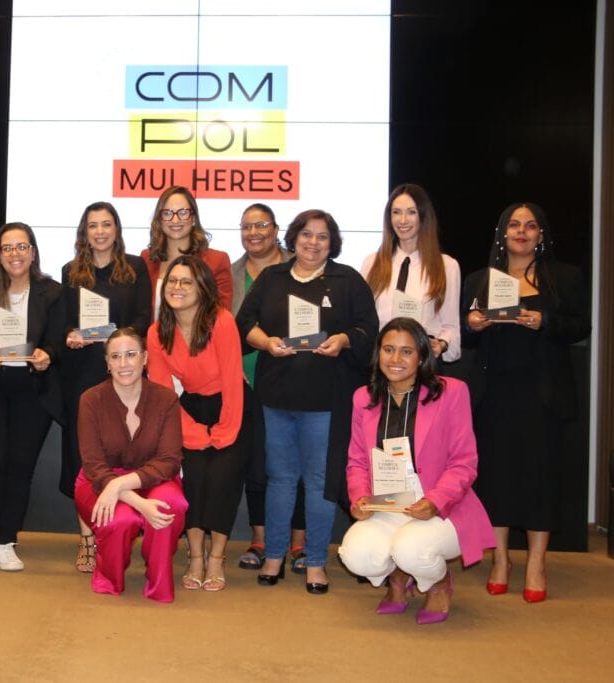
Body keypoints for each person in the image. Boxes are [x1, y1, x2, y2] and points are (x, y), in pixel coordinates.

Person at [236, 209, 378, 593]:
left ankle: (316, 561)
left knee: (318, 481)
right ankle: (275, 555)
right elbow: (244, 323)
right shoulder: (273, 278)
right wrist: (265, 342)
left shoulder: (346, 279)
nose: (313, 243)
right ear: (293, 238)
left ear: (332, 243)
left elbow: (368, 328)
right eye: (307, 235)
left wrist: (343, 341)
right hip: (275, 396)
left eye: (322, 237)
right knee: (280, 479)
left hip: (326, 401)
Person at [463, 202, 589, 603]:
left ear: (541, 234)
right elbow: (466, 338)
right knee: (496, 477)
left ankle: (536, 561)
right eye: (514, 225)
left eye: (530, 225)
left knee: (540, 478)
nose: (521, 231)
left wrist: (544, 321)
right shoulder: (480, 279)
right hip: (493, 395)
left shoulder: (563, 277)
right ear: (502, 233)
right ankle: (501, 559)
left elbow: (579, 326)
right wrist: (474, 324)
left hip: (542, 396)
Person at [338, 318, 495, 624]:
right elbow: (357, 459)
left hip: (439, 505)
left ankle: (437, 583)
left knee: (412, 549)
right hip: (388, 502)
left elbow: (464, 462)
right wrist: (359, 498)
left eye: (406, 351)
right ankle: (398, 575)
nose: (395, 359)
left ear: (422, 356)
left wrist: (435, 500)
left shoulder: (452, 392)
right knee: (355, 554)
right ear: (378, 353)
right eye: (388, 349)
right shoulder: (364, 398)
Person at [60, 202, 151, 572]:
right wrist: (69, 336)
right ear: (85, 231)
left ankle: (120, 533)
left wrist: (120, 338)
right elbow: (64, 323)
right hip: (82, 374)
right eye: (93, 225)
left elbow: (145, 317)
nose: (100, 231)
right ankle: (87, 540)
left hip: (125, 374)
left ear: (117, 229)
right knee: (85, 459)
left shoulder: (136, 268)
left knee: (125, 457)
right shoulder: (70, 272)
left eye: (107, 224)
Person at [0, 222, 64, 572]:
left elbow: (57, 340)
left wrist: (46, 356)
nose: (15, 254)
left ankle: (7, 541)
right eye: (7, 248)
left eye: (22, 247)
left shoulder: (51, 292)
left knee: (20, 466)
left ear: (33, 252)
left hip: (31, 391)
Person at [147, 254, 245, 592]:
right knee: (194, 479)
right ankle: (195, 559)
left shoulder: (221, 320)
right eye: (172, 281)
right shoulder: (157, 332)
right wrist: (193, 432)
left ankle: (216, 558)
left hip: (232, 407)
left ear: (202, 287)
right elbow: (162, 393)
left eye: (186, 281)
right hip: (186, 410)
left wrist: (224, 431)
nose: (177, 287)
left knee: (222, 479)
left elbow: (233, 380)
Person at [75, 328, 187, 602]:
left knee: (172, 505)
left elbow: (169, 460)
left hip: (153, 480)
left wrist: (123, 485)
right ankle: (109, 579)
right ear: (107, 363)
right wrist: (137, 503)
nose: (124, 364)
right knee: (122, 517)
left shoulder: (166, 399)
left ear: (145, 358)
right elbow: (94, 466)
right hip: (98, 482)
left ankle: (159, 583)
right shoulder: (90, 400)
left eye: (131, 355)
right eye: (116, 356)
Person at [229, 203, 305, 572]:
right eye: (246, 226)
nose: (253, 232)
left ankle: (298, 542)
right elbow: (224, 329)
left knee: (296, 463)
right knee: (257, 463)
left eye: (261, 225)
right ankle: (259, 538)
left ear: (276, 229)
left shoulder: (299, 266)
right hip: (245, 382)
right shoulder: (230, 275)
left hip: (294, 380)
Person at [361, 184, 460, 361]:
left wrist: (442, 344)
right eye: (396, 212)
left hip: (422, 364)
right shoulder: (372, 263)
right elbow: (362, 321)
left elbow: (451, 327)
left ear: (423, 216)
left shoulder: (446, 266)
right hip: (380, 364)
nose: (403, 220)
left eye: (411, 212)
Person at [142, 186, 232, 316]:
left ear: (194, 218)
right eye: (167, 213)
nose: (175, 220)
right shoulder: (146, 259)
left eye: (183, 212)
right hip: (153, 336)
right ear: (160, 220)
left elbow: (221, 315)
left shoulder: (217, 261)